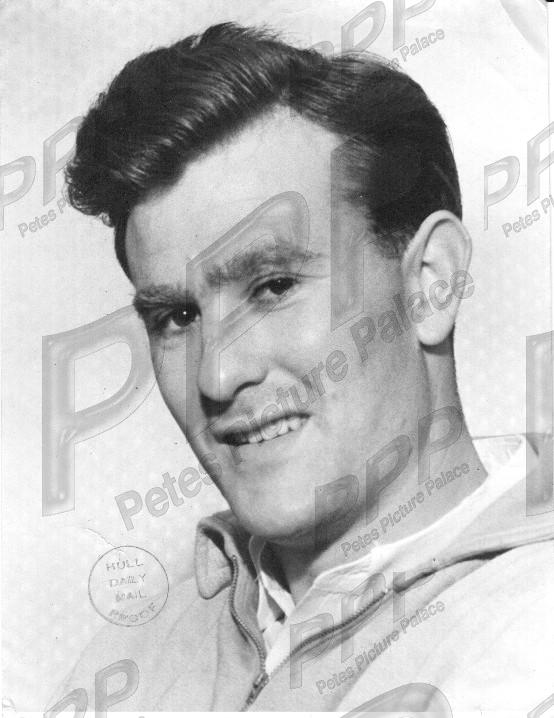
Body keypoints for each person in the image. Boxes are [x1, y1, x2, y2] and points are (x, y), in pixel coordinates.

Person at [49, 22, 553, 713]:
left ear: (430, 283)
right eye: (178, 317)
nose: (216, 377)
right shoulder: (126, 656)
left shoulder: (533, 636)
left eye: (273, 287)